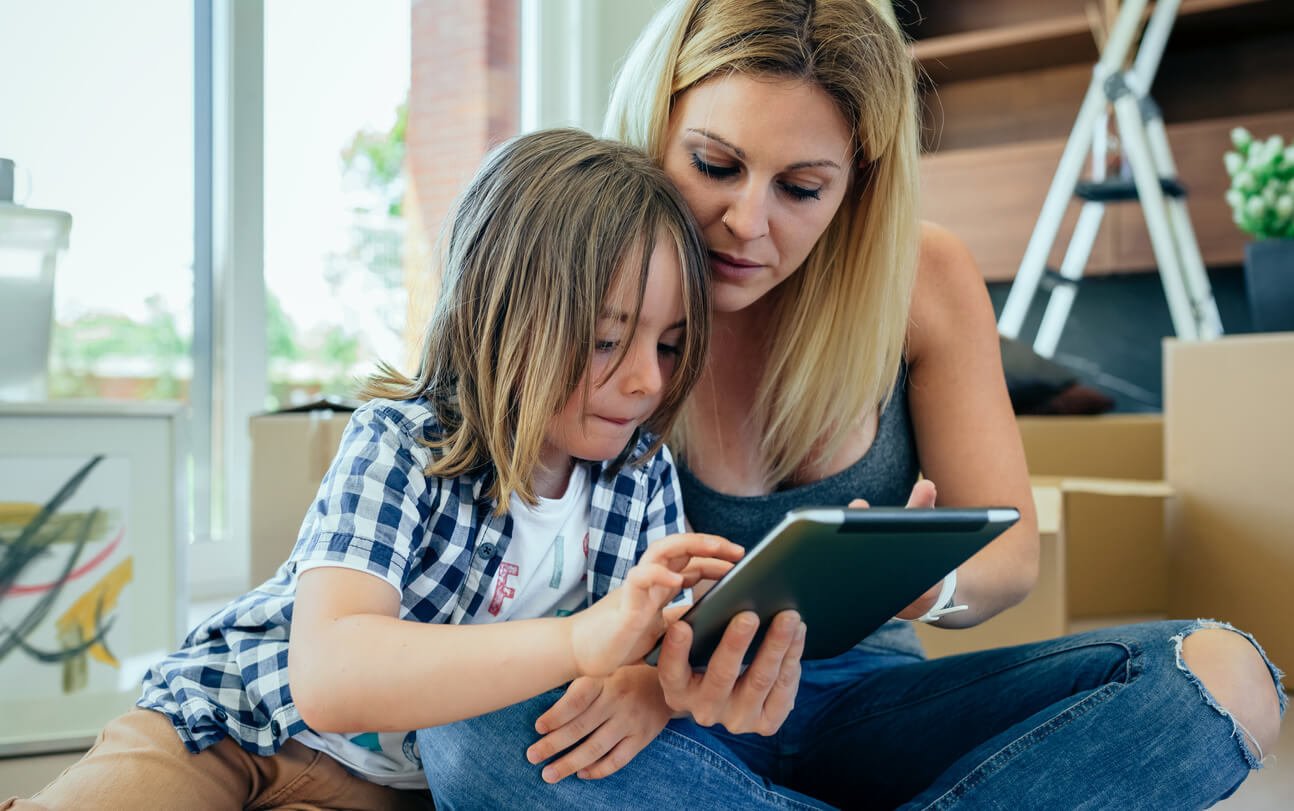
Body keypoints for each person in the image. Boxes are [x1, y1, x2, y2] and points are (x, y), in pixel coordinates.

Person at [420, 1, 1286, 809]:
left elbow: (1013, 553)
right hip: (659, 714)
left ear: (856, 190)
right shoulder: (572, 285)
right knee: (463, 728)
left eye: (801, 188)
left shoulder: (923, 279)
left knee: (1221, 677)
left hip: (871, 701)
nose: (746, 222)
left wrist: (927, 581)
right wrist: (649, 678)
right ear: (657, 126)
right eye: (715, 165)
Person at [2, 128, 746, 811]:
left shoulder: (641, 475)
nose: (648, 380)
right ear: (502, 314)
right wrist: (581, 640)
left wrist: (656, 687)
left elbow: (656, 649)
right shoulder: (403, 440)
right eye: (609, 340)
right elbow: (331, 675)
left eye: (670, 346)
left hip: (392, 790)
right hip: (236, 724)